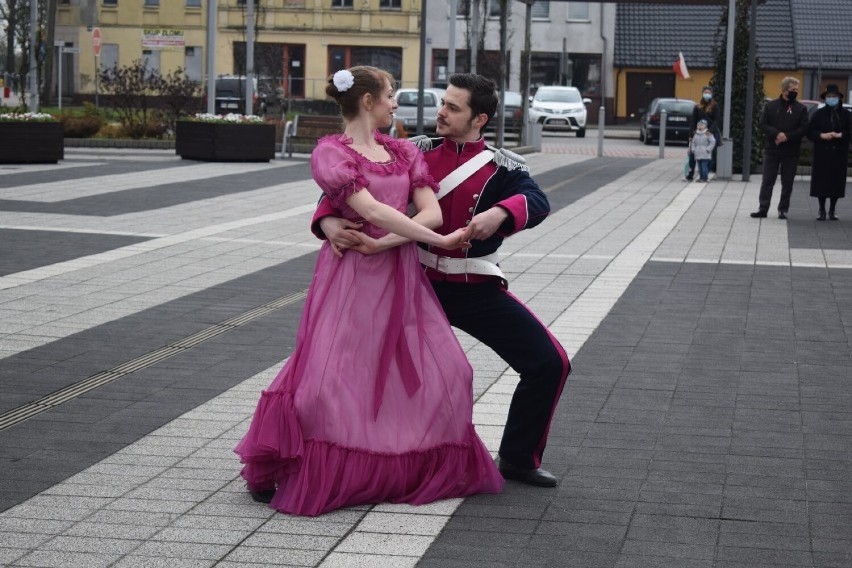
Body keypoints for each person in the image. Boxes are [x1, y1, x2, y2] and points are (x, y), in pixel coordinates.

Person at [234, 66, 504, 517]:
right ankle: (305, 462)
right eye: (390, 94)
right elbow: (371, 206)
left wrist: (386, 242)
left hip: (398, 273)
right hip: (351, 279)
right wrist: (429, 241)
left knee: (448, 370)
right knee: (332, 378)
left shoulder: (400, 151)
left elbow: (432, 214)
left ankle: (398, 462)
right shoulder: (330, 153)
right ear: (367, 102)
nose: (396, 102)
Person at [313, 73, 571, 488]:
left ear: (479, 118)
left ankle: (519, 458)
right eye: (443, 102)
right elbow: (343, 187)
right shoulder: (409, 150)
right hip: (411, 282)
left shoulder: (502, 166)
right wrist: (325, 220)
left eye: (453, 107)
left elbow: (536, 200)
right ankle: (364, 456)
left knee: (549, 362)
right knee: (359, 370)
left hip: (472, 287)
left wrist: (501, 213)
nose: (441, 112)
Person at [751, 77, 809, 220]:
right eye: (793, 90)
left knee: (787, 182)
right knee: (767, 181)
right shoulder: (771, 106)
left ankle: (783, 209)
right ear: (784, 90)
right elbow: (763, 124)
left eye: (797, 90)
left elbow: (804, 128)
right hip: (772, 149)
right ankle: (763, 208)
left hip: (791, 151)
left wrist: (786, 136)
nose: (795, 92)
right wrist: (776, 134)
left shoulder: (801, 109)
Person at [806, 84, 850, 221]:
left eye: (834, 96)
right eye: (829, 97)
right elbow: (810, 132)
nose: (831, 99)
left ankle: (832, 209)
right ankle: (821, 209)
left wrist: (840, 135)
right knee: (822, 182)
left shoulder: (847, 115)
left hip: (839, 153)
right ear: (825, 98)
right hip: (822, 153)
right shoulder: (818, 114)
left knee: (836, 182)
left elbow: (850, 132)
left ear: (839, 98)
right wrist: (821, 135)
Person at [685, 86, 722, 181]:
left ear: (712, 94)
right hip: (698, 134)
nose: (707, 94)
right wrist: (691, 134)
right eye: (705, 92)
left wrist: (710, 130)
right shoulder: (697, 107)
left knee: (707, 155)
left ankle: (704, 175)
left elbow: (717, 120)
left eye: (709, 92)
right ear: (702, 93)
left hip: (710, 134)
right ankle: (690, 174)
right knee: (692, 154)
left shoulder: (715, 106)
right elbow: (693, 121)